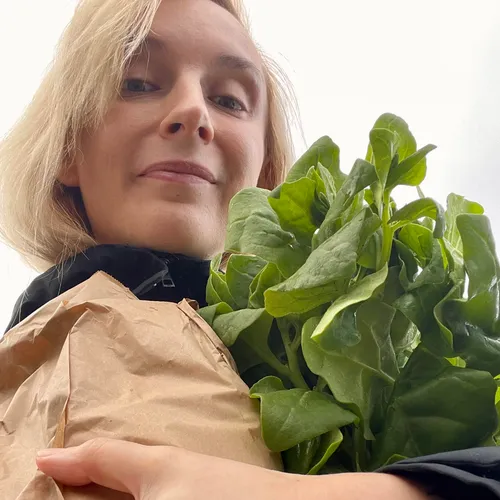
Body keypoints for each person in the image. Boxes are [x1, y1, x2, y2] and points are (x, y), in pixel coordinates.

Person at [0, 0, 499, 498]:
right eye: (139, 83)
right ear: (67, 146)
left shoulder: (327, 365)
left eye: (230, 99)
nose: (193, 111)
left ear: (265, 174)